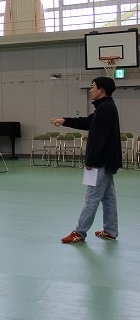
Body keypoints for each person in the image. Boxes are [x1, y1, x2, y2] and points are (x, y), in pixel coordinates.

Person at [52, 76, 122, 243]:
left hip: (100, 162)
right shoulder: (105, 107)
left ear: (102, 90)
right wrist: (65, 121)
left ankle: (79, 232)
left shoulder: (105, 109)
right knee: (108, 197)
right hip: (107, 162)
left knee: (92, 198)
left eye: (93, 87)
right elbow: (88, 122)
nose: (91, 90)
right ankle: (110, 230)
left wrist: (90, 161)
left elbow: (99, 138)